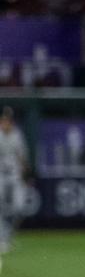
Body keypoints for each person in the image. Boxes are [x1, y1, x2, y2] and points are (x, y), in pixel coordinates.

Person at [0, 106, 29, 268]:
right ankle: (3, 239)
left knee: (19, 207)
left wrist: (27, 176)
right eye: (3, 119)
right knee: (1, 207)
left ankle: (8, 236)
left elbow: (22, 157)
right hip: (0, 176)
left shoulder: (17, 135)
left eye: (7, 120)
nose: (5, 123)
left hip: (15, 175)